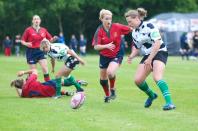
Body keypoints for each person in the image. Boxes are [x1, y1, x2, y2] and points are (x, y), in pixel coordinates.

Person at [125, 8, 176, 110]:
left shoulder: (149, 26)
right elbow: (137, 48)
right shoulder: (134, 32)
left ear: (136, 18)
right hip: (148, 55)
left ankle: (170, 103)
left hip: (160, 52)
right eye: (128, 22)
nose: (129, 24)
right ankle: (152, 95)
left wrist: (150, 59)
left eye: (130, 21)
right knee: (138, 81)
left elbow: (157, 43)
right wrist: (131, 56)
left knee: (157, 77)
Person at [92, 9, 132, 103]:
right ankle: (107, 95)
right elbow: (96, 47)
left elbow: (131, 28)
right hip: (104, 56)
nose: (109, 21)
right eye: (106, 18)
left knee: (110, 72)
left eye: (110, 18)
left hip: (117, 53)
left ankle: (112, 89)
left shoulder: (117, 26)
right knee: (102, 80)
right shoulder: (99, 31)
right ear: (101, 19)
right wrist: (106, 46)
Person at [21, 15, 57, 82]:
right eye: (35, 19)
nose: (36, 20)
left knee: (45, 68)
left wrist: (53, 39)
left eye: (38, 19)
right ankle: (27, 83)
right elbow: (22, 41)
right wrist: (26, 44)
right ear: (32, 21)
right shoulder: (28, 30)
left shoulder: (43, 30)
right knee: (33, 73)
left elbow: (50, 40)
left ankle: (48, 85)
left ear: (40, 21)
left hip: (41, 51)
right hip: (31, 52)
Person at [10, 69, 86, 97]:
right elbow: (35, 70)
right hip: (50, 85)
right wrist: (24, 72)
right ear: (23, 82)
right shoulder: (29, 82)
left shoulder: (24, 94)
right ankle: (77, 82)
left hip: (50, 94)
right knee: (64, 81)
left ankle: (67, 92)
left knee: (62, 84)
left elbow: (20, 94)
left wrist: (15, 85)